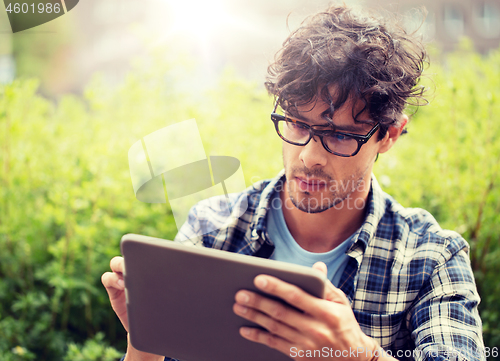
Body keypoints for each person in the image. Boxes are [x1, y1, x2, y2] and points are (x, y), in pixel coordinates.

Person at [101, 4, 484, 361]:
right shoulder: (212, 231)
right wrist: (146, 343)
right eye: (298, 124)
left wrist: (361, 355)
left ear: (389, 135)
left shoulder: (432, 258)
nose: (309, 156)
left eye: (340, 135)